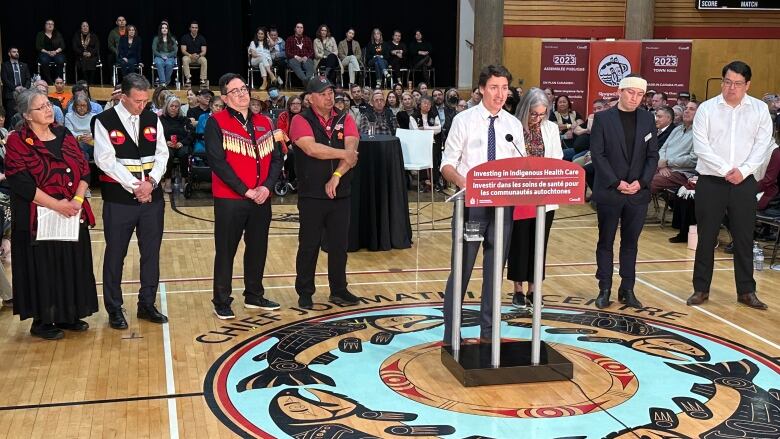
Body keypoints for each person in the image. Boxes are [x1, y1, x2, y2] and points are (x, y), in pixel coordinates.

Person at [439, 65, 523, 345]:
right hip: (471, 208)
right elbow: (447, 164)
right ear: (482, 89)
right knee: (461, 269)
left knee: (494, 272)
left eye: (504, 88)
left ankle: (488, 335)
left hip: (503, 209)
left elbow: (519, 166)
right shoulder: (464, 120)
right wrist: (466, 183)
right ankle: (452, 335)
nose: (500, 94)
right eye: (494, 88)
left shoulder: (513, 125)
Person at [5, 89, 98, 339]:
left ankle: (69, 314)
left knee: (71, 262)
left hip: (71, 211)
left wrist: (77, 200)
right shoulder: (17, 140)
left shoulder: (63, 133)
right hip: (38, 216)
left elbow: (83, 169)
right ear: (27, 115)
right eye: (41, 107)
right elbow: (21, 183)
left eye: (48, 104)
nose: (48, 109)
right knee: (43, 267)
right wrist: (58, 205)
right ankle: (43, 320)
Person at [687, 61, 774, 310]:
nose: (731, 88)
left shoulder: (759, 110)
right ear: (722, 81)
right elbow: (701, 146)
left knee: (744, 238)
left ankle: (747, 291)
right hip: (711, 181)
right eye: (727, 82)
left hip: (745, 182)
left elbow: (763, 145)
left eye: (737, 83)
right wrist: (727, 170)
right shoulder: (707, 109)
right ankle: (700, 289)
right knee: (706, 237)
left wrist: (743, 171)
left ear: (747, 85)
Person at [92, 73, 170, 330]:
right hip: (119, 201)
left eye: (145, 100)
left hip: (152, 199)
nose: (142, 106)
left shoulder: (152, 118)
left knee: (151, 254)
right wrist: (136, 186)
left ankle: (147, 303)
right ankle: (114, 308)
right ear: (123, 97)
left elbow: (162, 154)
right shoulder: (103, 121)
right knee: (116, 254)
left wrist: (152, 183)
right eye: (137, 101)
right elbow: (105, 160)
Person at [205, 73, 283, 318]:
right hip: (231, 199)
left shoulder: (266, 122)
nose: (242, 93)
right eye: (235, 91)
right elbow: (218, 163)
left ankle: (254, 295)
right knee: (226, 250)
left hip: (262, 198)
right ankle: (221, 299)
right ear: (225, 98)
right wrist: (245, 190)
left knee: (258, 248)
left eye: (244, 88)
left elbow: (277, 158)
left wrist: (267, 188)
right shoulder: (215, 122)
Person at [289, 76, 360, 309]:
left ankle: (339, 289)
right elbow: (312, 149)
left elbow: (352, 149)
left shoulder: (345, 117)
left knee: (339, 245)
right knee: (308, 245)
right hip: (311, 194)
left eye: (331, 92)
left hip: (341, 193)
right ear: (310, 98)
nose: (329, 97)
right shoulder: (300, 120)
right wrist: (343, 155)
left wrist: (337, 176)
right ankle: (305, 291)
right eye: (323, 93)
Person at [591, 74, 658, 310]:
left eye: (640, 94)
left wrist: (642, 182)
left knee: (631, 243)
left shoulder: (647, 119)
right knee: (606, 241)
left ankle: (627, 289)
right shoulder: (602, 119)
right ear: (620, 91)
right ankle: (604, 288)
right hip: (611, 191)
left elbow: (652, 156)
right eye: (631, 92)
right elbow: (597, 155)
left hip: (637, 193)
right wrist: (616, 182)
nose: (635, 98)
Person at [508, 88, 564, 307]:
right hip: (519, 195)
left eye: (542, 114)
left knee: (540, 242)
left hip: (543, 195)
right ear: (525, 110)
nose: (538, 118)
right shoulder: (513, 127)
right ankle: (518, 289)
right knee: (519, 242)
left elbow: (557, 157)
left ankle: (534, 288)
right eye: (534, 114)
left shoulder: (550, 128)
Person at [159, 95, 194, 193]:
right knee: (168, 154)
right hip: (166, 145)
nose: (174, 108)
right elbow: (157, 135)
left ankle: (184, 180)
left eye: (176, 106)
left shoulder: (184, 120)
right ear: (167, 106)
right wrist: (165, 142)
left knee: (185, 153)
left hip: (181, 144)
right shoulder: (160, 120)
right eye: (172, 106)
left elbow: (191, 134)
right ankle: (168, 181)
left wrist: (182, 143)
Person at [412, 95, 442, 191]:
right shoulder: (413, 116)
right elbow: (415, 131)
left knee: (433, 158)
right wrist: (431, 130)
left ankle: (435, 181)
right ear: (420, 105)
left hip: (432, 142)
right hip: (419, 142)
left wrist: (425, 128)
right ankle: (423, 181)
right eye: (424, 103)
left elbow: (439, 129)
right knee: (422, 159)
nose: (427, 105)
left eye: (429, 104)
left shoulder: (434, 114)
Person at [2, 47, 31, 124]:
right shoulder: (5, 65)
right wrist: (15, 88)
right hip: (11, 94)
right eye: (14, 52)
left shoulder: (24, 65)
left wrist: (25, 88)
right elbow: (5, 80)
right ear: (9, 54)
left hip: (23, 94)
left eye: (17, 52)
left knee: (24, 115)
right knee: (10, 116)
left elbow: (28, 79)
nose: (16, 53)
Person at [64, 94, 95, 160]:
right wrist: (80, 137)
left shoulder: (94, 116)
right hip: (75, 141)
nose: (81, 108)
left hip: (91, 142)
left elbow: (97, 132)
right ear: (75, 106)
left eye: (84, 105)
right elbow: (69, 131)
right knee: (80, 147)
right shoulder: (68, 116)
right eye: (78, 105)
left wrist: (91, 136)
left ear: (88, 106)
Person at [35, 19, 66, 84]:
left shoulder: (57, 34)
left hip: (56, 52)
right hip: (45, 53)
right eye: (48, 24)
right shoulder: (40, 34)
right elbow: (38, 46)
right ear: (45, 25)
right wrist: (48, 52)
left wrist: (56, 51)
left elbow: (62, 45)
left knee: (60, 60)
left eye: (51, 24)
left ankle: (58, 80)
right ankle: (49, 81)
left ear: (54, 26)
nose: (50, 25)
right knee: (44, 60)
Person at [180, 21, 208, 87]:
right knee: (184, 59)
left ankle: (202, 79)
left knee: (204, 60)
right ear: (190, 28)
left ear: (198, 29)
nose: (194, 29)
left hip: (198, 57)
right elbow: (183, 50)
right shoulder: (185, 37)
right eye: (193, 27)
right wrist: (190, 55)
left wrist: (199, 55)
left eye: (196, 28)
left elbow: (204, 51)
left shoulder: (202, 38)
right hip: (189, 56)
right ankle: (188, 79)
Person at [152, 21, 178, 86]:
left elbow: (175, 50)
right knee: (159, 63)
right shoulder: (156, 38)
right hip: (159, 56)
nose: (164, 29)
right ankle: (163, 83)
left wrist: (168, 55)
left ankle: (165, 82)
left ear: (168, 30)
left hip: (170, 56)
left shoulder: (172, 39)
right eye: (162, 28)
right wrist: (161, 55)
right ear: (160, 30)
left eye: (166, 28)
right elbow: (154, 50)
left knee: (169, 63)